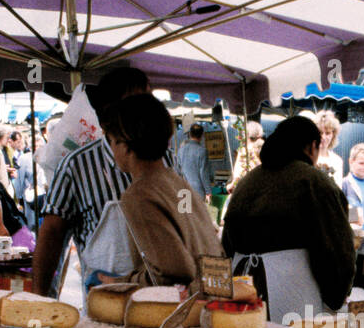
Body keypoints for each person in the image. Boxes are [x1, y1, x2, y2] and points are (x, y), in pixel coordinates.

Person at [30, 67, 174, 296]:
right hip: (107, 303)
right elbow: (52, 235)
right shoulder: (75, 166)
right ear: (110, 114)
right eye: (138, 102)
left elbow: (185, 208)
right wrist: (39, 297)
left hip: (164, 299)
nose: (148, 109)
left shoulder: (166, 158)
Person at [222, 116, 356, 319]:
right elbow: (335, 247)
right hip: (294, 291)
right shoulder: (314, 181)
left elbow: (227, 241)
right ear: (312, 146)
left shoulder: (247, 181)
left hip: (242, 291)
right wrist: (337, 294)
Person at [96, 94, 222, 288]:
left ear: (126, 146)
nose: (111, 150)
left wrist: (118, 283)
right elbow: (196, 245)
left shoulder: (139, 195)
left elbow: (173, 273)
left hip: (186, 310)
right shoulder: (177, 183)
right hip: (214, 298)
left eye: (112, 141)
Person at [177, 123, 215, 201]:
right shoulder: (202, 151)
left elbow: (178, 170)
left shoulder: (181, 150)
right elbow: (203, 173)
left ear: (190, 134)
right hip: (198, 191)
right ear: (202, 136)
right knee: (198, 213)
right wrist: (208, 191)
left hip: (183, 189)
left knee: (185, 212)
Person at [229, 120, 264, 191]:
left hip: (246, 190)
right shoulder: (266, 148)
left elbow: (238, 176)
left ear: (246, 135)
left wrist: (230, 186)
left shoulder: (243, 151)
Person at [314, 110, 343, 181]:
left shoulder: (337, 161)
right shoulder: (306, 158)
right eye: (320, 132)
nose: (323, 137)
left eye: (327, 133)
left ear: (333, 135)